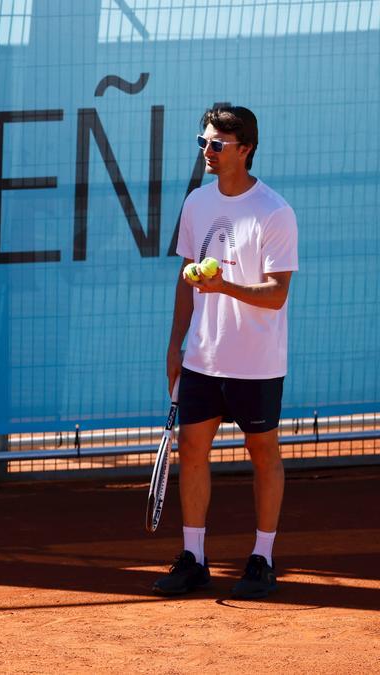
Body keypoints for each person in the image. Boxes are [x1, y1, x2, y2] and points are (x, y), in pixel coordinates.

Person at [155, 105, 297, 600]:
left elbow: (276, 293)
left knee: (263, 456)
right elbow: (184, 279)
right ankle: (193, 557)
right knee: (191, 452)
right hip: (201, 359)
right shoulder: (196, 203)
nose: (208, 152)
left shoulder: (274, 212)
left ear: (246, 149)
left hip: (256, 364)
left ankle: (262, 558)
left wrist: (224, 287)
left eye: (217, 144)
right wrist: (176, 342)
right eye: (204, 143)